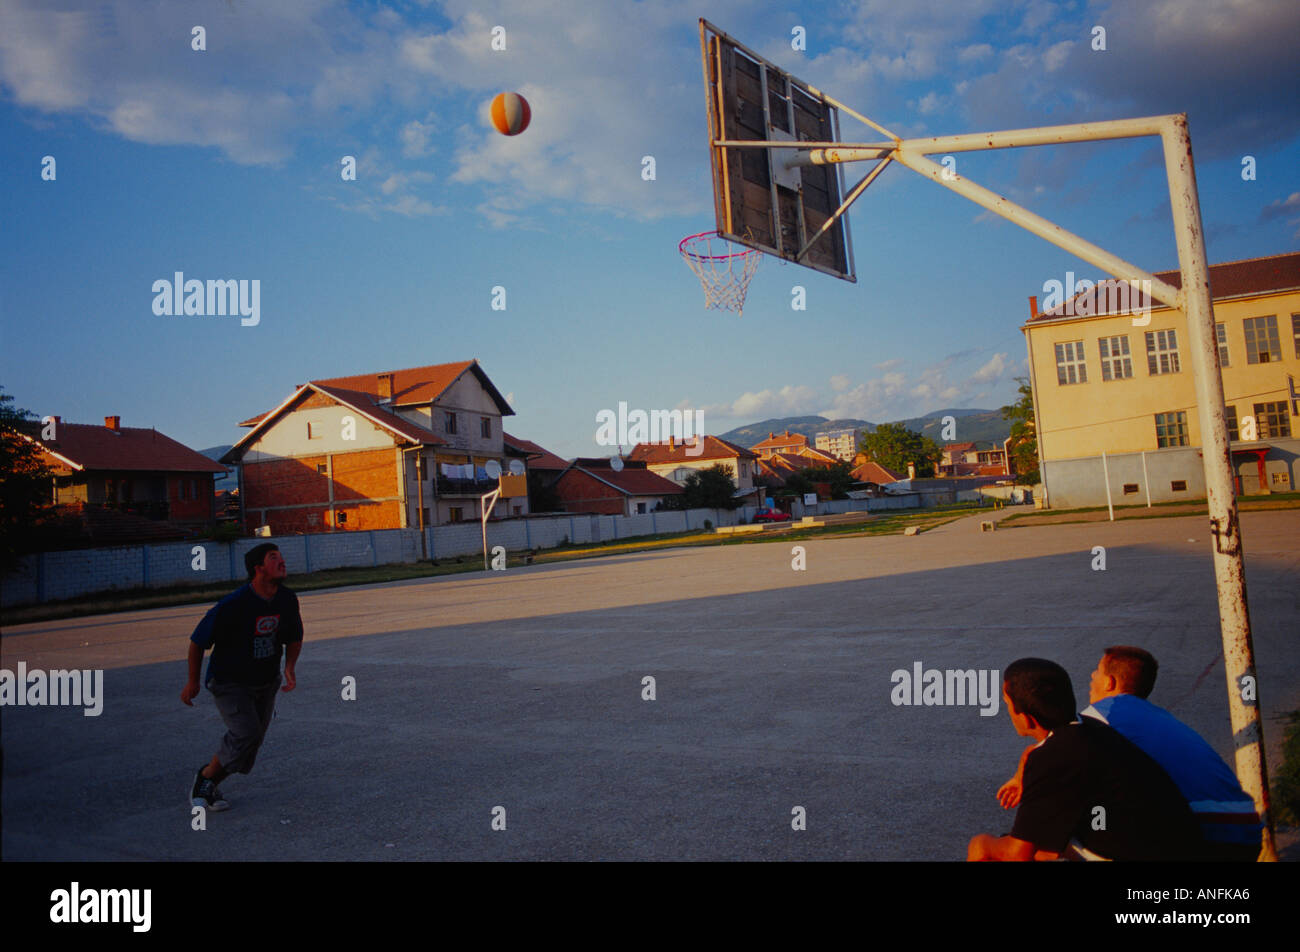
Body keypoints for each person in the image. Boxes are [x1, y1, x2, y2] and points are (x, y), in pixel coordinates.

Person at [968, 658, 1203, 861]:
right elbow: (1038, 751)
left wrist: (981, 843)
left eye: (1007, 704)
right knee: (1040, 846)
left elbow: (1017, 855)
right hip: (1173, 842)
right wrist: (1022, 773)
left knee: (994, 853)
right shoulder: (1086, 728)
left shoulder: (1053, 758)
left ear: (1028, 719)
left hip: (1140, 854)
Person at [1081, 646, 1262, 861]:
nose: (1092, 676)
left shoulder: (1101, 714)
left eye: (1097, 670)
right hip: (1246, 828)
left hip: (1198, 830)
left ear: (1109, 682)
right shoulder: (1161, 718)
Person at [182, 543, 303, 811]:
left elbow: (294, 637)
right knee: (246, 733)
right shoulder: (234, 604)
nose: (282, 561)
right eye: (274, 558)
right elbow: (198, 641)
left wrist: (290, 668)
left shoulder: (286, 599)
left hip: (265, 680)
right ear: (258, 569)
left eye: (282, 556)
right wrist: (192, 682)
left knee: (250, 744)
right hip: (230, 681)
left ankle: (209, 783)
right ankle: (204, 779)